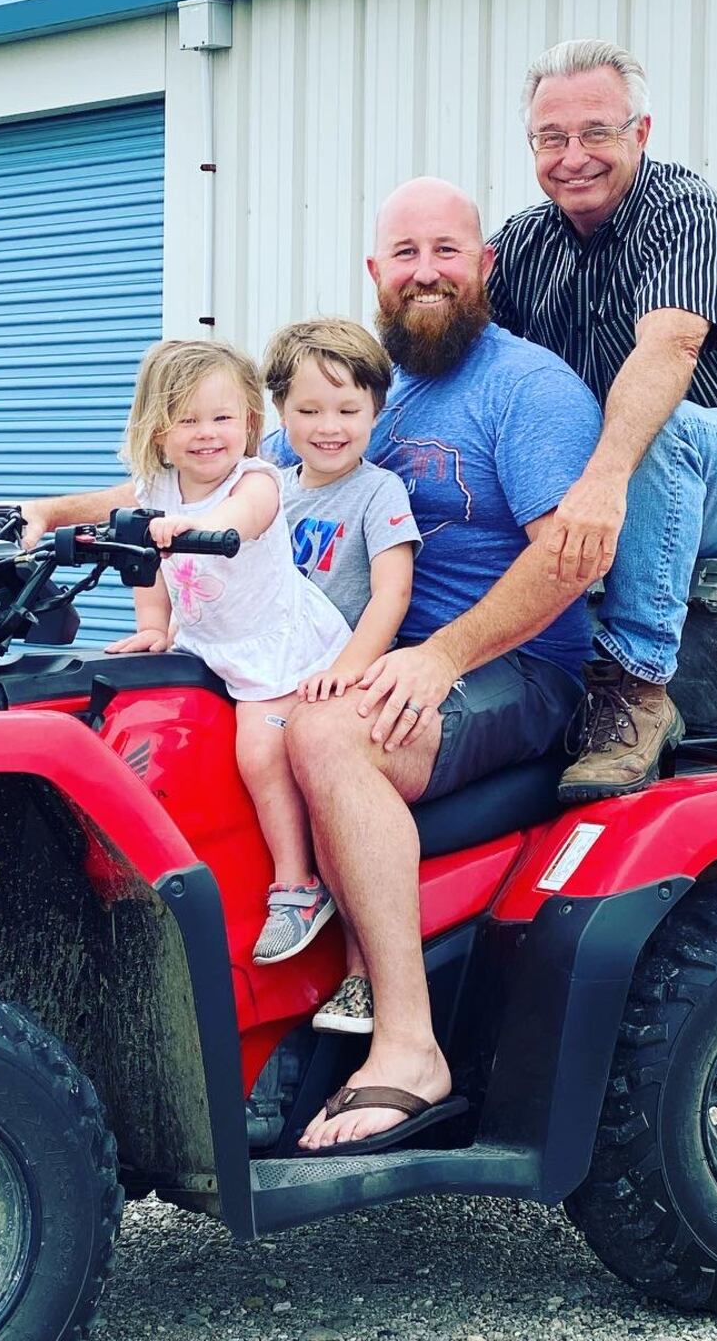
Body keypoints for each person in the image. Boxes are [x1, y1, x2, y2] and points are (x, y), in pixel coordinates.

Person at [284, 177, 602, 1154]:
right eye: (406, 254)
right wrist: (65, 519)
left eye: (447, 251)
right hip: (374, 655)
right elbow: (237, 476)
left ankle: (409, 1044)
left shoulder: (528, 387)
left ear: (484, 267)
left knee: (332, 734)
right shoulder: (355, 393)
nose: (426, 271)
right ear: (375, 273)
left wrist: (442, 655)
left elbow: (568, 560)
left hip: (514, 668)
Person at [488, 38, 717, 803]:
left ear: (641, 132)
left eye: (596, 132)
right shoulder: (525, 243)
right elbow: (455, 353)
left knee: (660, 426)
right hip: (621, 483)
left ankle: (635, 686)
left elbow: (672, 345)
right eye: (551, 138)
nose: (573, 156)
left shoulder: (690, 212)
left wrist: (602, 483)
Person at [104, 338, 352, 965]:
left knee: (261, 751)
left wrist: (200, 528)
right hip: (206, 644)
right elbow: (146, 566)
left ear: (248, 422)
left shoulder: (256, 480)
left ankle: (298, 887)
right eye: (187, 420)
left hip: (275, 648)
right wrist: (155, 625)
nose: (207, 434)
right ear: (158, 433)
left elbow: (247, 519)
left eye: (222, 418)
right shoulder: (156, 488)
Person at [261, 318, 421, 1034]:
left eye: (348, 410)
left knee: (319, 766)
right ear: (279, 413)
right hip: (272, 663)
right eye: (309, 410)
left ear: (376, 413)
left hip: (336, 670)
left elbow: (392, 593)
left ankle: (357, 964)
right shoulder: (265, 488)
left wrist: (346, 670)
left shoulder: (376, 492)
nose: (329, 427)